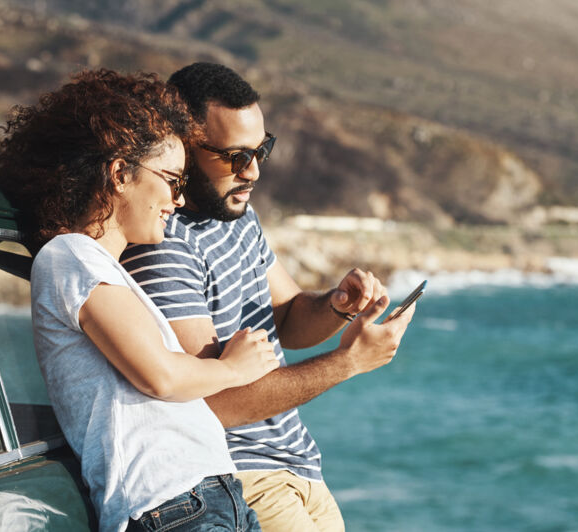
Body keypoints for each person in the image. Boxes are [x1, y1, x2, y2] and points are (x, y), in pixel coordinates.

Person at [0, 69, 280, 532]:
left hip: (204, 498)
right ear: (120, 173)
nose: (177, 201)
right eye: (172, 181)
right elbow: (158, 375)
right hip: (174, 505)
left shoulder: (95, 267)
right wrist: (233, 369)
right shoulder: (70, 254)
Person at [119, 63, 418, 531]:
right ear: (183, 147)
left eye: (261, 151)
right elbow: (215, 402)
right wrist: (349, 363)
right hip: (244, 477)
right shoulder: (164, 247)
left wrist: (337, 305)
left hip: (300, 467)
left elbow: (289, 318)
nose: (253, 171)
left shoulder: (238, 217)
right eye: (235, 157)